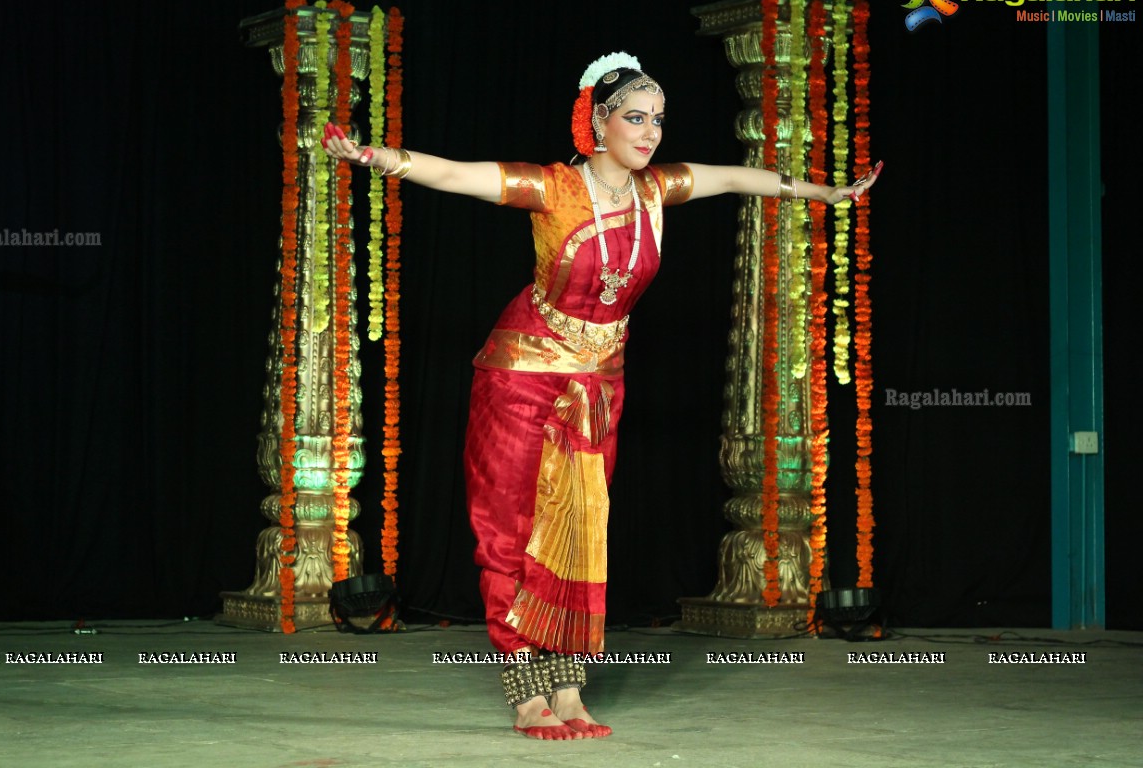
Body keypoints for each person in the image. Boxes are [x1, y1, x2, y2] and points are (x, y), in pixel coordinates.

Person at [322, 51, 879, 740]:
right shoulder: (552, 188)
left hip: (597, 383)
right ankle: (526, 684)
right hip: (523, 374)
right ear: (599, 122)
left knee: (581, 529)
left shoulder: (657, 191)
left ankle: (569, 683)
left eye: (659, 120)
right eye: (636, 118)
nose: (650, 133)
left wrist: (824, 194)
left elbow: (739, 176)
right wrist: (373, 155)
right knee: (511, 530)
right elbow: (455, 175)